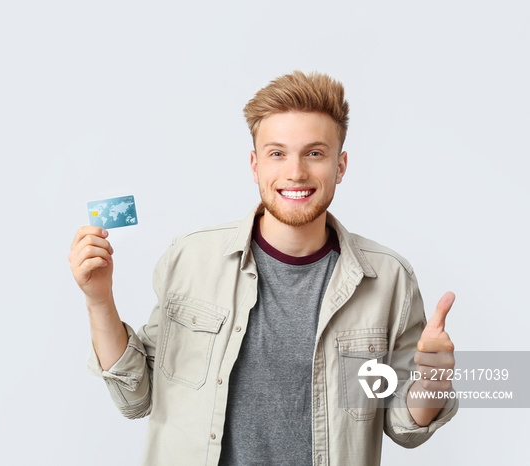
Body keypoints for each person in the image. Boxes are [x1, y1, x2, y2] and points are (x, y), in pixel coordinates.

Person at [69, 71, 458, 466]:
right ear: (255, 165)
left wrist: (434, 379)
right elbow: (136, 397)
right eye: (277, 153)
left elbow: (406, 426)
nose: (295, 172)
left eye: (315, 153)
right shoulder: (190, 258)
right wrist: (99, 299)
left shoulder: (388, 280)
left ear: (340, 167)